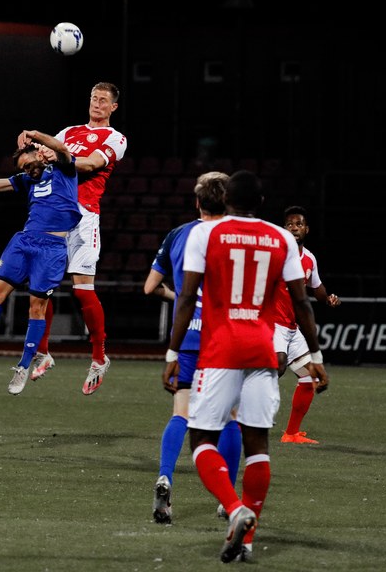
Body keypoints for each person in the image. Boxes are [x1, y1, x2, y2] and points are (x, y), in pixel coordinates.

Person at [163, 170, 329, 563]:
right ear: (261, 203)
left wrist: (172, 353)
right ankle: (248, 540)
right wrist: (317, 356)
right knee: (258, 446)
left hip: (220, 349)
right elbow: (302, 302)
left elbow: (186, 298)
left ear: (227, 200)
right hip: (262, 349)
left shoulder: (206, 234)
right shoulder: (281, 238)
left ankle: (235, 508)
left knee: (201, 440)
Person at [0, 129, 80, 396]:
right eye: (23, 168)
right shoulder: (26, 180)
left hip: (52, 247)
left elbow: (62, 149)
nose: (27, 171)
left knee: (36, 307)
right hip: (24, 240)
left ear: (40, 156)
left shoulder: (64, 170)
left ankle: (23, 366)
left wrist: (35, 135)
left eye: (29, 164)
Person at [142, 171, 242, 525]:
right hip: (226, 337)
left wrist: (182, 299)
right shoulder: (238, 235)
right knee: (230, 417)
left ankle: (165, 476)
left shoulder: (178, 234)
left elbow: (150, 287)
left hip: (187, 336)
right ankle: (227, 499)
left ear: (197, 201)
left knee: (181, 412)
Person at [17, 81, 127, 395]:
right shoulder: (68, 132)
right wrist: (31, 149)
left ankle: (99, 357)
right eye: (93, 98)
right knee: (40, 288)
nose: (97, 103)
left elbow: (90, 164)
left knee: (82, 290)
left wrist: (57, 155)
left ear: (113, 107)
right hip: (54, 214)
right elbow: (44, 160)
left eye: (103, 100)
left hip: (85, 216)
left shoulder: (116, 138)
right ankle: (44, 353)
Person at [274, 205, 341, 444]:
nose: (294, 228)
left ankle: (291, 434)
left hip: (292, 329)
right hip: (272, 324)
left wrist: (328, 299)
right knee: (278, 365)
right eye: (290, 224)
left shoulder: (309, 259)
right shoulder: (275, 255)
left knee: (310, 377)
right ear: (284, 229)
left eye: (299, 224)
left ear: (306, 229)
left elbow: (317, 287)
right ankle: (242, 414)